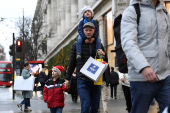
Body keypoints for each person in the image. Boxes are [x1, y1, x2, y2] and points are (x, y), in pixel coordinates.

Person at [121, 0, 170, 113]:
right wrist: (143, 67)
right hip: (141, 78)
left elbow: (168, 43)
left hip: (165, 75)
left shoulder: (164, 11)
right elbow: (128, 43)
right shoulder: (132, 11)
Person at [65, 22, 107, 113]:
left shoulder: (98, 44)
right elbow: (72, 62)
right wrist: (67, 79)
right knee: (86, 104)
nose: (88, 32)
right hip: (82, 79)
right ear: (82, 31)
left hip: (95, 79)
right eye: (86, 30)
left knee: (95, 106)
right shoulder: (76, 44)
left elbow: (105, 61)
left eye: (90, 30)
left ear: (94, 31)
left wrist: (104, 54)